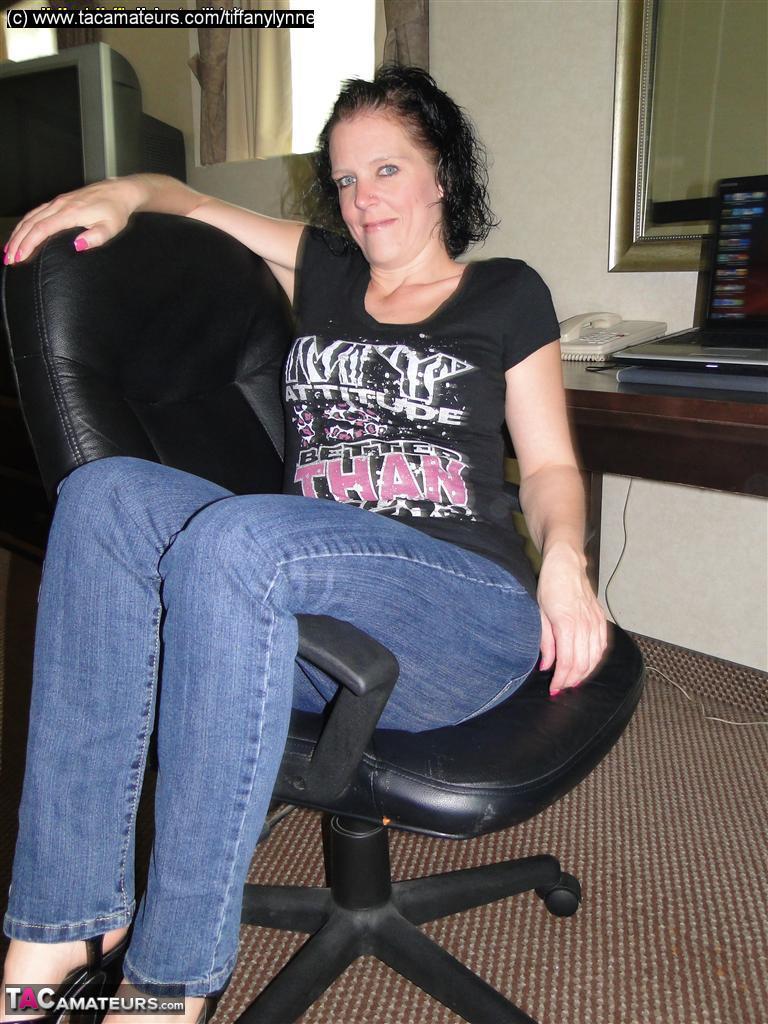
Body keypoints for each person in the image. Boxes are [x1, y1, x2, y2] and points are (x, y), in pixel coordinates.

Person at [1, 66, 607, 1024]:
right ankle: (67, 922)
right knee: (102, 494)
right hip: (309, 614)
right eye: (346, 179)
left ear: (443, 174)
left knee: (239, 537)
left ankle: (168, 986)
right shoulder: (324, 269)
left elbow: (549, 467)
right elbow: (188, 200)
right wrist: (121, 194)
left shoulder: (504, 294)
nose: (364, 200)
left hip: (457, 610)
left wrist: (566, 562)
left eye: (388, 169)